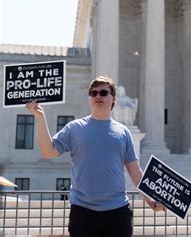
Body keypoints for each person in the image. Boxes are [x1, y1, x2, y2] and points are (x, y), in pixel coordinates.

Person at [25, 76, 164, 237]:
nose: (98, 96)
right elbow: (47, 152)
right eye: (93, 93)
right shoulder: (74, 128)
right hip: (83, 213)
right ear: (89, 98)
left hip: (117, 212)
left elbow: (135, 173)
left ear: (114, 99)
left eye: (104, 92)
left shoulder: (123, 132)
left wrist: (150, 199)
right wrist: (40, 118)